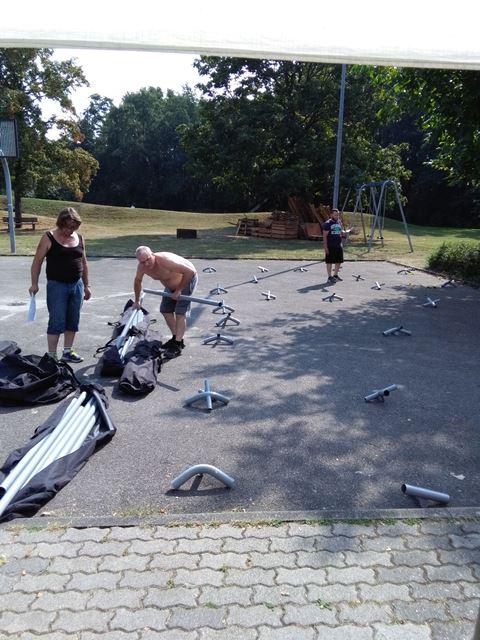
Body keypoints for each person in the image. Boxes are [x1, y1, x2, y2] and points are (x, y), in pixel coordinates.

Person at [29, 207, 91, 362]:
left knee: (73, 319)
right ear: (60, 223)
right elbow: (37, 262)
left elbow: (84, 262)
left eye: (73, 227)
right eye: (67, 227)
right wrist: (34, 284)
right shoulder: (48, 237)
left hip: (77, 285)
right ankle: (52, 356)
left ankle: (68, 352)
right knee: (57, 320)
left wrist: (87, 285)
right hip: (57, 286)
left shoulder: (80, 238)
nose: (69, 230)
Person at [133, 246, 198, 359]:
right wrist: (137, 300)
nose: (146, 264)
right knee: (165, 310)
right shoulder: (142, 267)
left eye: (148, 259)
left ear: (152, 254)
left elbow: (190, 272)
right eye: (142, 262)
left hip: (186, 281)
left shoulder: (166, 261)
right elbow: (138, 281)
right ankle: (176, 338)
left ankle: (177, 344)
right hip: (170, 286)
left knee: (180, 312)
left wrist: (179, 290)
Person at [322, 208, 348, 283]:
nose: (337, 216)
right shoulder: (327, 223)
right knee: (329, 261)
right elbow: (324, 236)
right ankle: (329, 277)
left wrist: (345, 233)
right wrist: (325, 247)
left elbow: (341, 232)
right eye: (335, 215)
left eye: (338, 215)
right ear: (331, 215)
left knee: (338, 261)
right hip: (330, 246)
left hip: (338, 245)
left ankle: (335, 275)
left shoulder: (339, 222)